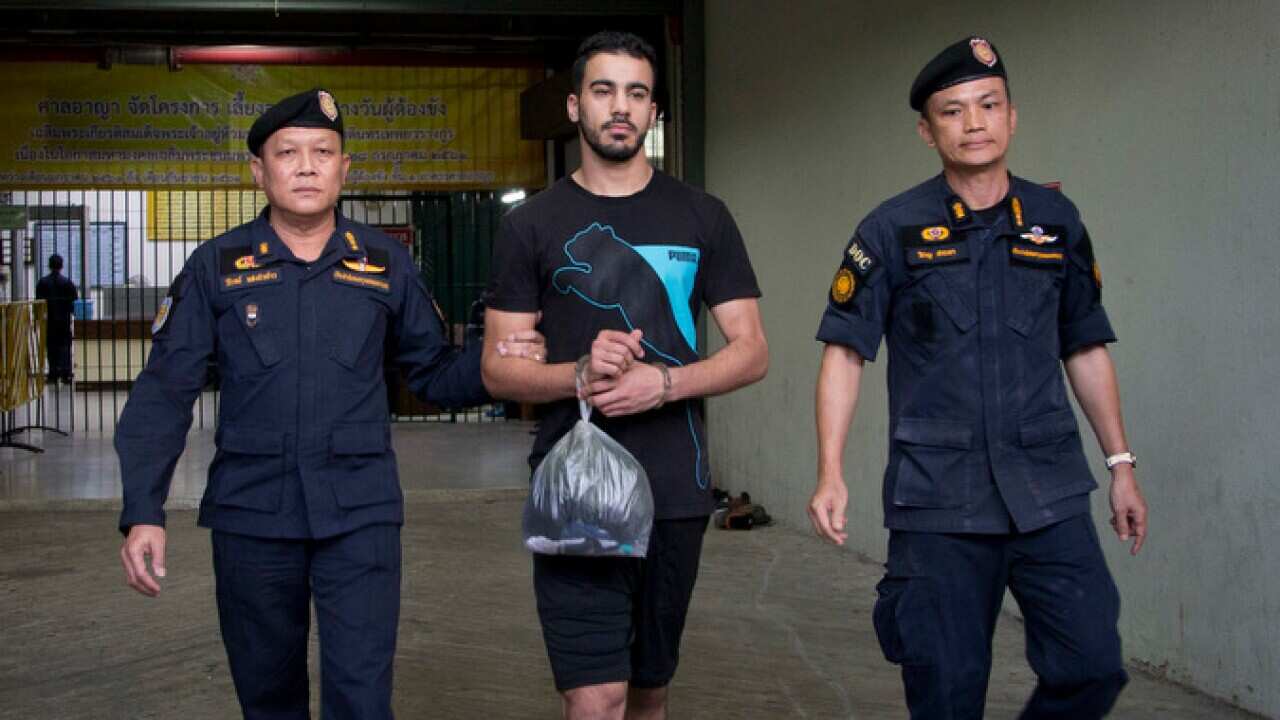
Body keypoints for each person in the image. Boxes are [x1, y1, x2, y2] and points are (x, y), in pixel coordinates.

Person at [115, 88, 544, 719]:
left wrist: (497, 366)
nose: (308, 165)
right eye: (288, 152)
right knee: (268, 699)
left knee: (363, 700)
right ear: (260, 171)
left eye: (324, 151)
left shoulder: (385, 263)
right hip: (252, 516)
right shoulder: (217, 266)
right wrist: (143, 509)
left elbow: (430, 373)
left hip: (361, 514)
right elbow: (163, 393)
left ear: (345, 168)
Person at [808, 37, 1150, 719]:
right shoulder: (891, 229)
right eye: (953, 111)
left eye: (988, 106)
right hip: (939, 501)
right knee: (946, 693)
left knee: (1092, 665)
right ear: (926, 130)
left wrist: (1120, 463)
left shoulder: (1056, 223)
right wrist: (830, 470)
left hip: (1046, 489)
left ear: (1012, 117)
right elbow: (845, 353)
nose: (974, 123)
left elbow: (1084, 347)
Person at [482, 31, 768, 720]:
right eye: (604, 91)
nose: (621, 107)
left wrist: (664, 384)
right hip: (576, 486)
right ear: (575, 105)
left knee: (648, 690)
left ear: (653, 111)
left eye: (637, 93)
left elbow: (752, 350)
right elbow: (498, 369)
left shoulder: (703, 216)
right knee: (597, 696)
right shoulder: (533, 226)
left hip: (676, 485)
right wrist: (577, 373)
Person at [35, 253, 78, 383]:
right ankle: (66, 373)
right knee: (65, 346)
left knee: (51, 347)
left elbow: (39, 303)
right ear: (61, 266)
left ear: (49, 265)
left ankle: (53, 373)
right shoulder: (67, 282)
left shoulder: (42, 282)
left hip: (49, 320)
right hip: (64, 320)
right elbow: (74, 301)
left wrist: (38, 319)